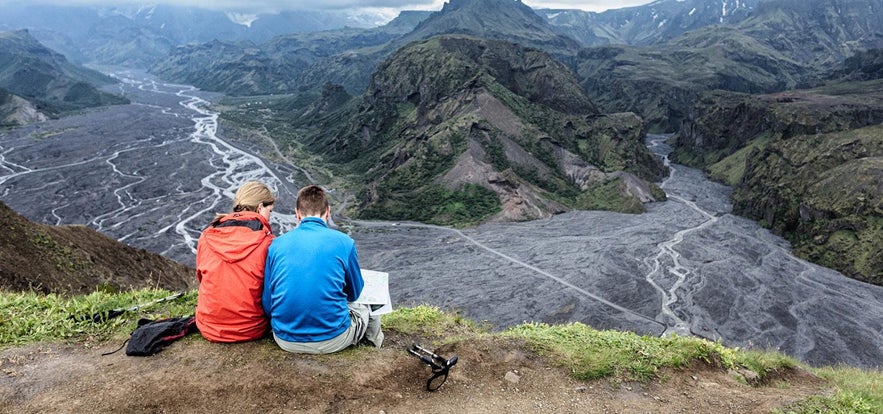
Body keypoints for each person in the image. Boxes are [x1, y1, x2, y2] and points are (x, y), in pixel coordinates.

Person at [262, 185, 383, 354]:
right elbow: (354, 294)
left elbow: (268, 303)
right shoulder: (344, 242)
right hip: (333, 339)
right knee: (369, 306)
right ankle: (374, 349)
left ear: (297, 214)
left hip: (284, 338)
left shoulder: (276, 245)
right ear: (328, 212)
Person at [195, 181, 275, 342]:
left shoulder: (206, 237)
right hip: (252, 328)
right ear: (260, 208)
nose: (270, 216)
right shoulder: (268, 243)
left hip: (209, 327)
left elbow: (202, 278)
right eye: (269, 210)